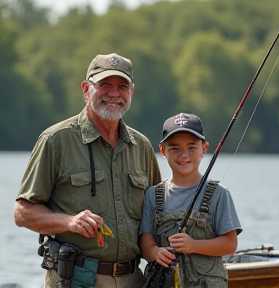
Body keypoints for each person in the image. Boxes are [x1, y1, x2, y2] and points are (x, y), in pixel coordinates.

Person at [14, 53, 161, 288]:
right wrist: (69, 221)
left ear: (131, 92)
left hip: (134, 279)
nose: (114, 93)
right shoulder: (55, 140)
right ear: (86, 89)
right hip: (76, 279)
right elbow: (22, 213)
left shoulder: (142, 146)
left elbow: (157, 217)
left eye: (122, 87)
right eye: (104, 85)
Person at [139, 112, 242, 288]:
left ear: (204, 148)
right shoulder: (152, 195)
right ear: (163, 151)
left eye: (192, 148)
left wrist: (193, 245)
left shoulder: (219, 194)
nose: (184, 155)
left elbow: (230, 244)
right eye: (175, 148)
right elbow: (145, 242)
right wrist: (155, 252)